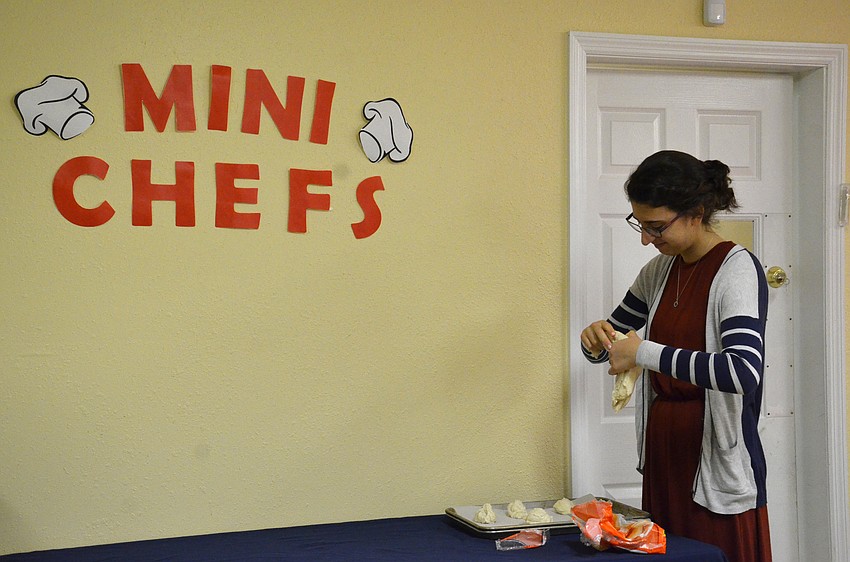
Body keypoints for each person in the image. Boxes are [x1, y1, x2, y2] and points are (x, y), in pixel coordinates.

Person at [579, 150, 772, 562]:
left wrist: (643, 351)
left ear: (696, 213)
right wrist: (594, 341)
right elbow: (614, 344)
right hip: (666, 452)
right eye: (640, 225)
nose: (647, 239)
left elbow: (742, 371)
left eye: (656, 226)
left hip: (714, 456)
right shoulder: (659, 270)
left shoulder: (736, 269)